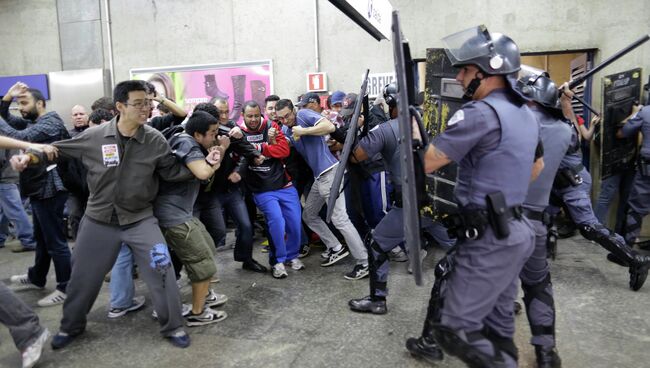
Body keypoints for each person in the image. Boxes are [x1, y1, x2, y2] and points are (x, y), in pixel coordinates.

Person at [11, 80, 198, 349]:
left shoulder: (154, 140)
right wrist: (30, 158)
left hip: (140, 219)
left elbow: (170, 172)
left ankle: (174, 326)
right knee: (82, 278)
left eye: (148, 102)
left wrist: (201, 165)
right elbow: (57, 150)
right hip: (98, 221)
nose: (146, 108)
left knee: (162, 270)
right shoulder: (95, 136)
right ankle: (71, 326)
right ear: (120, 106)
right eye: (139, 103)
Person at [406, 26, 541, 368]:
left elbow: (428, 163)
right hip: (516, 230)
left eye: (465, 70)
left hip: (489, 238)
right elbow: (536, 166)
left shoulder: (479, 114)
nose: (460, 76)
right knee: (498, 329)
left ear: (487, 73)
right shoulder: (526, 113)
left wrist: (411, 140)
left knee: (457, 331)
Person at [513, 66, 571, 367]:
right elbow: (569, 130)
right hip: (535, 223)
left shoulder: (512, 124)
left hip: (499, 222)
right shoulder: (564, 131)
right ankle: (545, 354)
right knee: (537, 287)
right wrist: (564, 102)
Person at [276, 97, 369, 279]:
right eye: (281, 118)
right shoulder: (287, 128)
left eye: (287, 116)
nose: (285, 120)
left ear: (293, 110)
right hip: (320, 177)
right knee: (309, 215)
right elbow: (286, 147)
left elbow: (329, 127)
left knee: (340, 219)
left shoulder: (303, 115)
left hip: (330, 172)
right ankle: (335, 247)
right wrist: (274, 139)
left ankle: (364, 261)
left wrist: (304, 131)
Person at [0, 82, 72, 307]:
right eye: (19, 103)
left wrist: (9, 102)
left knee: (55, 241)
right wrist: (7, 99)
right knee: (42, 238)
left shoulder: (50, 122)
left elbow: (15, 133)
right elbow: (9, 121)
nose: (20, 108)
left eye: (24, 103)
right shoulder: (35, 121)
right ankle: (37, 277)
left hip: (50, 188)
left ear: (40, 103)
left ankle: (66, 287)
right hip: (38, 187)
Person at [154, 110, 229, 326]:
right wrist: (220, 153)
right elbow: (203, 173)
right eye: (212, 133)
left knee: (207, 248)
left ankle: (204, 296)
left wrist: (212, 158)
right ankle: (198, 312)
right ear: (198, 134)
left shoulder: (186, 140)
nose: (215, 137)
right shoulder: (186, 142)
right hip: (173, 216)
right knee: (202, 263)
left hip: (182, 212)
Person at [192, 102, 267, 273]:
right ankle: (201, 270)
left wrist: (254, 156)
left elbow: (243, 149)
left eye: (226, 112)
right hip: (209, 193)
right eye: (221, 113)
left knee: (246, 226)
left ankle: (245, 259)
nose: (225, 117)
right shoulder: (192, 139)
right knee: (213, 232)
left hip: (231, 188)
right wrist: (222, 148)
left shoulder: (228, 131)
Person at [238, 101, 303, 278]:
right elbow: (241, 154)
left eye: (256, 115)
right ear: (243, 115)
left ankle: (292, 256)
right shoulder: (239, 132)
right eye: (249, 116)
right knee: (276, 222)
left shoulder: (271, 126)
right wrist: (257, 151)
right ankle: (278, 261)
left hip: (284, 183)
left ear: (261, 114)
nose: (253, 119)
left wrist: (259, 148)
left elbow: (283, 151)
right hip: (262, 188)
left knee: (295, 222)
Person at [620, 103, 650, 246]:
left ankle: (629, 247)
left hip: (647, 170)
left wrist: (635, 112)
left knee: (637, 207)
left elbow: (625, 131)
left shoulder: (645, 111)